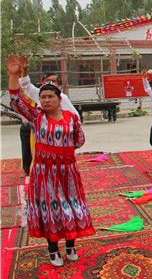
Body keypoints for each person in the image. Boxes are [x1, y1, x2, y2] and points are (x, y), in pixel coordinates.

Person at [6, 54, 95, 267]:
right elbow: (17, 101)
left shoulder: (71, 119)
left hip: (68, 172)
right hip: (44, 172)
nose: (46, 100)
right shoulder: (37, 117)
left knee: (72, 207)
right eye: (43, 97)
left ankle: (71, 245)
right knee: (50, 209)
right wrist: (13, 76)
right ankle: (53, 250)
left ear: (59, 99)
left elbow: (79, 140)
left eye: (50, 97)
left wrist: (62, 154)